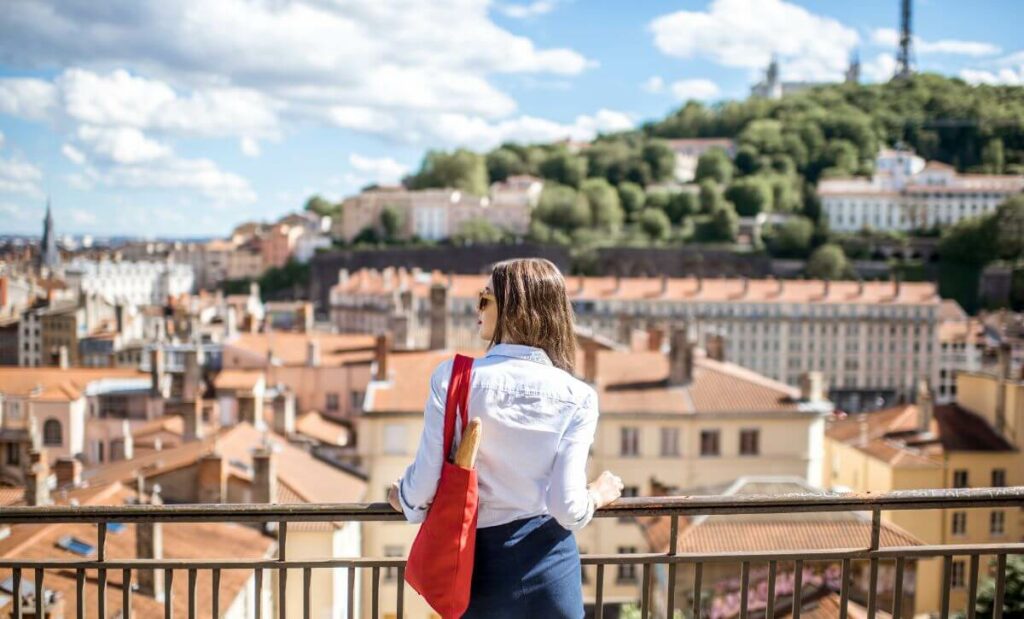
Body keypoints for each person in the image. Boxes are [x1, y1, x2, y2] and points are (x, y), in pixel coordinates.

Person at [387, 257, 623, 618]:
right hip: (551, 569)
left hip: (475, 570)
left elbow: (421, 492)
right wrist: (598, 494)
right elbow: (566, 507)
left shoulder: (454, 379)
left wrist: (401, 495)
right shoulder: (578, 396)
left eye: (486, 299)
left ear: (516, 309)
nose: (477, 308)